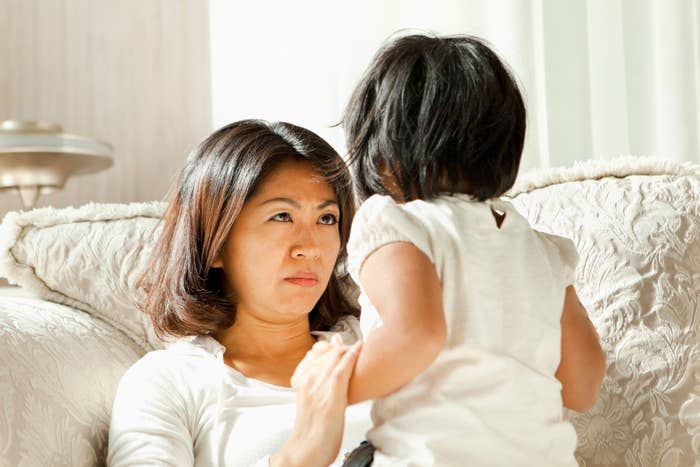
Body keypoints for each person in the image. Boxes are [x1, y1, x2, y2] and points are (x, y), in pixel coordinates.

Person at [338, 33, 606, 465]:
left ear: (382, 153)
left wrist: (328, 386)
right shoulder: (545, 252)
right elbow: (584, 383)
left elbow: (417, 334)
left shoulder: (392, 222)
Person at [107, 120, 372, 467]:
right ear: (215, 244)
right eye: (282, 216)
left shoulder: (378, 339)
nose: (311, 248)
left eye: (326, 219)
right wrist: (301, 454)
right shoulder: (168, 381)